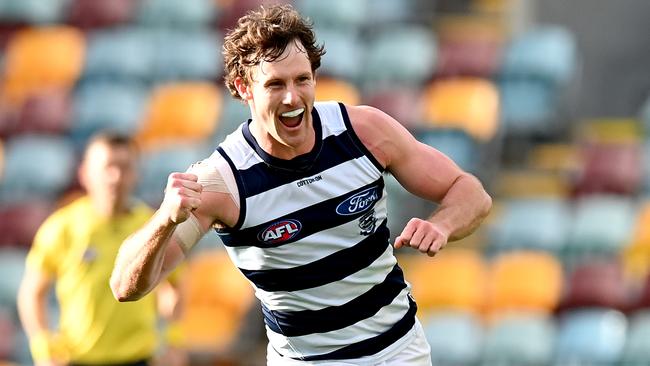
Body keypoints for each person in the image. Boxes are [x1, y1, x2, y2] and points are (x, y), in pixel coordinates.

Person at [110, 4, 492, 365]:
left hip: (396, 350)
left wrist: (441, 225)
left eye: (302, 80)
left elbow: (469, 191)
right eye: (275, 84)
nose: (293, 97)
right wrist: (164, 220)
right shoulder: (221, 181)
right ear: (244, 88)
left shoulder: (364, 132)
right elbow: (126, 287)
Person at [17, 132, 184, 366]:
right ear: (85, 173)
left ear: (136, 174)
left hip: (139, 358)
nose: (115, 177)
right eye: (107, 167)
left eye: (124, 168)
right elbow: (32, 293)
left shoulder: (153, 226)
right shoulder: (62, 227)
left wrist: (172, 341)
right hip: (77, 359)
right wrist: (44, 348)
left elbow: (174, 287)